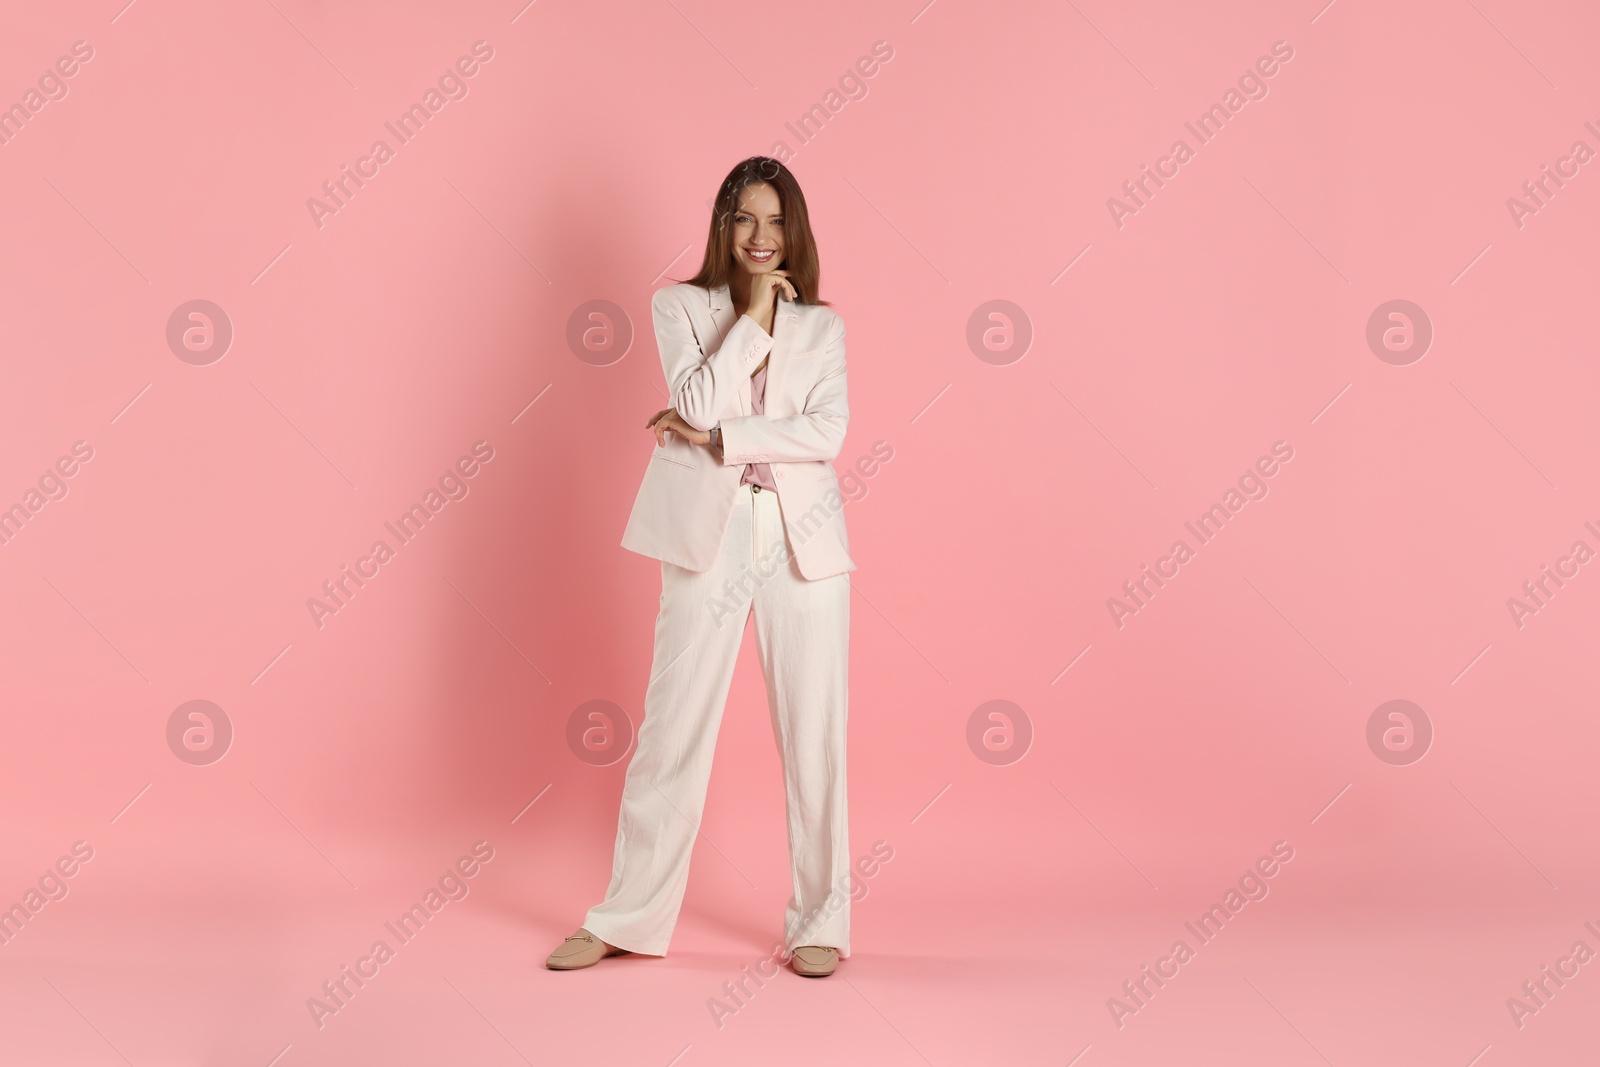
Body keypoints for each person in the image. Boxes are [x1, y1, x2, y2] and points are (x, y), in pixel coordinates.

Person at [546, 156, 855, 978]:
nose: (761, 237)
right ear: (723, 225)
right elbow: (690, 399)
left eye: (776, 221)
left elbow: (825, 435)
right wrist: (753, 319)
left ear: (796, 229)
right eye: (745, 219)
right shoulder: (679, 304)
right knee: (672, 725)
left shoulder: (824, 327)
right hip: (706, 537)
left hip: (803, 539)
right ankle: (627, 916)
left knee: (815, 734)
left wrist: (722, 441)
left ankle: (822, 920)